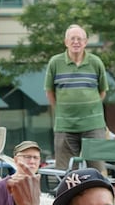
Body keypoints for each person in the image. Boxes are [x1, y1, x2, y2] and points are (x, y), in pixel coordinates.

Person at [44, 25, 108, 172]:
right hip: (65, 126)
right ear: (66, 42)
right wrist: (64, 111)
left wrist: (89, 108)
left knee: (97, 171)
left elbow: (102, 91)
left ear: (85, 42)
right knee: (66, 172)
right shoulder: (55, 63)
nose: (76, 42)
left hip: (93, 126)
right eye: (72, 38)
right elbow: (49, 93)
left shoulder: (96, 62)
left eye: (79, 39)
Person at [0, 140, 42, 205]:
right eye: (27, 157)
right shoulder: (0, 187)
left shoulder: (39, 186)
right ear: (15, 160)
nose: (32, 161)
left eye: (36, 158)